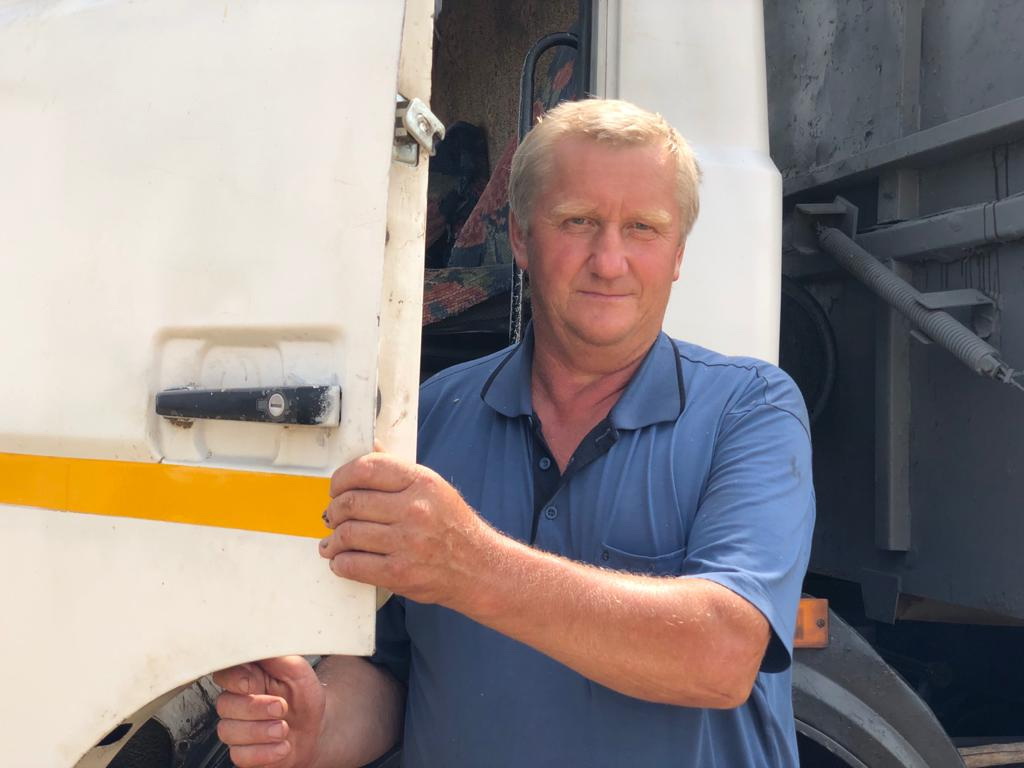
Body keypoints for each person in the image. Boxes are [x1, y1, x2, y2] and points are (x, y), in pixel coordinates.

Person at [213, 98, 815, 768]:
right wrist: (316, 728)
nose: (609, 260)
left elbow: (722, 656)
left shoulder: (750, 410)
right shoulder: (432, 414)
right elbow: (392, 668)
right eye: (578, 221)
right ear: (523, 240)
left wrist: (467, 564)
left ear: (678, 255)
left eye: (642, 228)